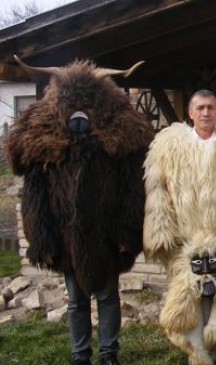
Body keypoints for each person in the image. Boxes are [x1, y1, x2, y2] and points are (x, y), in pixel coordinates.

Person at [4, 58, 154, 365]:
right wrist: (42, 240)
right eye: (72, 100)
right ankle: (80, 355)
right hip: (65, 236)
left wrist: (128, 232)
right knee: (75, 300)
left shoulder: (119, 133)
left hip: (107, 235)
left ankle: (109, 355)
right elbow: (35, 196)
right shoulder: (44, 137)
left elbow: (132, 189)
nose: (79, 106)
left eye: (85, 100)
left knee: (109, 297)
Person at [143, 90, 216, 365]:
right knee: (191, 298)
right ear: (190, 113)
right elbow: (157, 191)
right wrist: (160, 231)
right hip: (186, 239)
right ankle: (198, 353)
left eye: (210, 107)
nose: (206, 113)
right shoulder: (168, 147)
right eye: (200, 108)